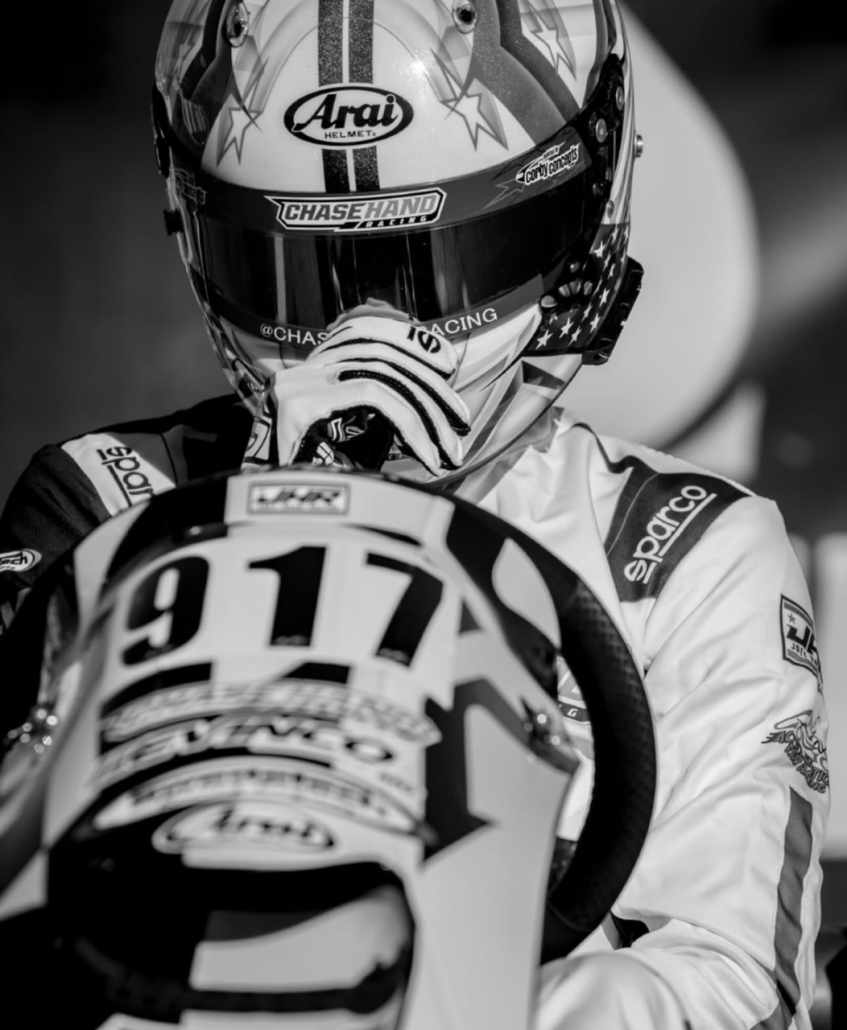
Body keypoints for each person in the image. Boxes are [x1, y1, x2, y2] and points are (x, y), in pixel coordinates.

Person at [0, 1, 830, 1027]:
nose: (376, 339)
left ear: (579, 222)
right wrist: (282, 535)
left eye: (446, 267)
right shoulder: (102, 500)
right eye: (303, 276)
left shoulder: (680, 552)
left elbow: (729, 990)